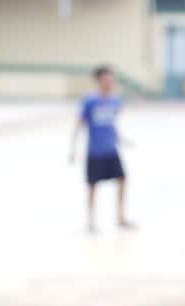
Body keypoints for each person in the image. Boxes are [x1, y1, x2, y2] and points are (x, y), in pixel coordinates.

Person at [69, 65, 133, 234]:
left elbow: (112, 123)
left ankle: (120, 217)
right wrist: (73, 148)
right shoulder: (90, 100)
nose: (110, 82)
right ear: (98, 80)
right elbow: (80, 123)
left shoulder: (115, 100)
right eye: (107, 78)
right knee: (92, 186)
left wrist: (121, 139)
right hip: (95, 151)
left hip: (111, 149)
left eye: (112, 78)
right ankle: (90, 221)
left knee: (122, 179)